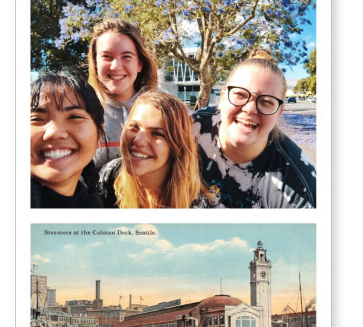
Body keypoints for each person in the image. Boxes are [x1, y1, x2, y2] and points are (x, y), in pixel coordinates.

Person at [193, 49, 316, 208]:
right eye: (240, 95)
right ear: (222, 98)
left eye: (266, 101)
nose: (250, 109)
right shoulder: (189, 129)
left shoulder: (298, 186)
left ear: (279, 113)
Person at [98, 92, 210, 208]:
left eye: (157, 134)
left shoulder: (195, 205)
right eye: (134, 127)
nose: (138, 141)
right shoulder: (109, 176)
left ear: (177, 146)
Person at [88, 18, 158, 169]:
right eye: (106, 56)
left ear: (139, 64)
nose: (116, 66)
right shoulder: (83, 112)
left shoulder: (163, 109)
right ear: (95, 63)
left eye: (126, 56)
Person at [31, 70, 106, 208]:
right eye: (36, 119)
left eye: (74, 117)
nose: (54, 132)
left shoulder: (93, 203)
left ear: (99, 136)